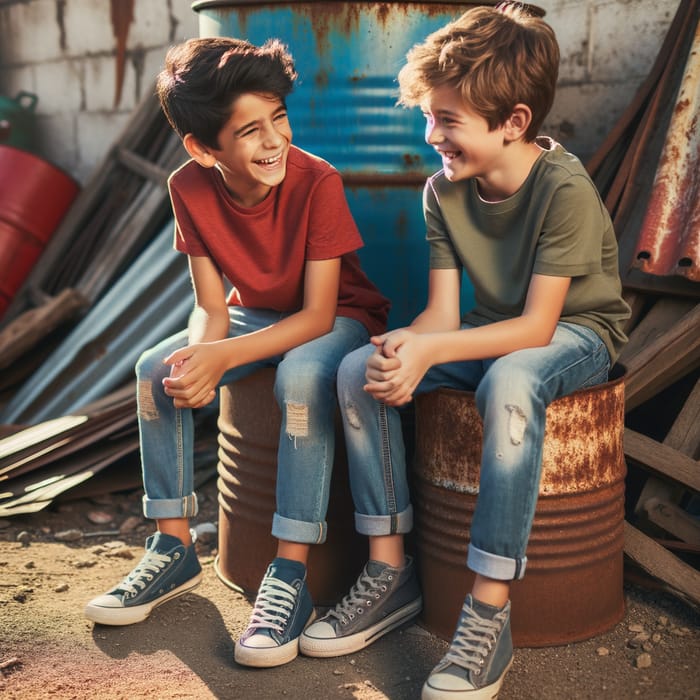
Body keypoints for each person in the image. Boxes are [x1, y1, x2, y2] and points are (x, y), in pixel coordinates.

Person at [316, 3, 631, 698]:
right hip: (487, 327)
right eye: (429, 117)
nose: (432, 136)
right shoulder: (443, 192)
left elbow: (537, 328)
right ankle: (389, 569)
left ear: (514, 121)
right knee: (356, 367)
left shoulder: (565, 190)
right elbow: (444, 313)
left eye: (448, 122)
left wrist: (438, 351)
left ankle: (489, 612)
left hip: (571, 335)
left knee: (511, 382)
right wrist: (408, 344)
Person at [83, 36, 422, 669]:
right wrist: (203, 355)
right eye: (249, 131)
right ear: (203, 149)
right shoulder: (188, 186)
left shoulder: (315, 179)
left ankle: (288, 575)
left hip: (339, 317)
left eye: (279, 118)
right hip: (251, 313)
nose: (273, 141)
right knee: (156, 369)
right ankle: (173, 547)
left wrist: (226, 357)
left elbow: (319, 314)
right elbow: (212, 307)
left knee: (299, 378)